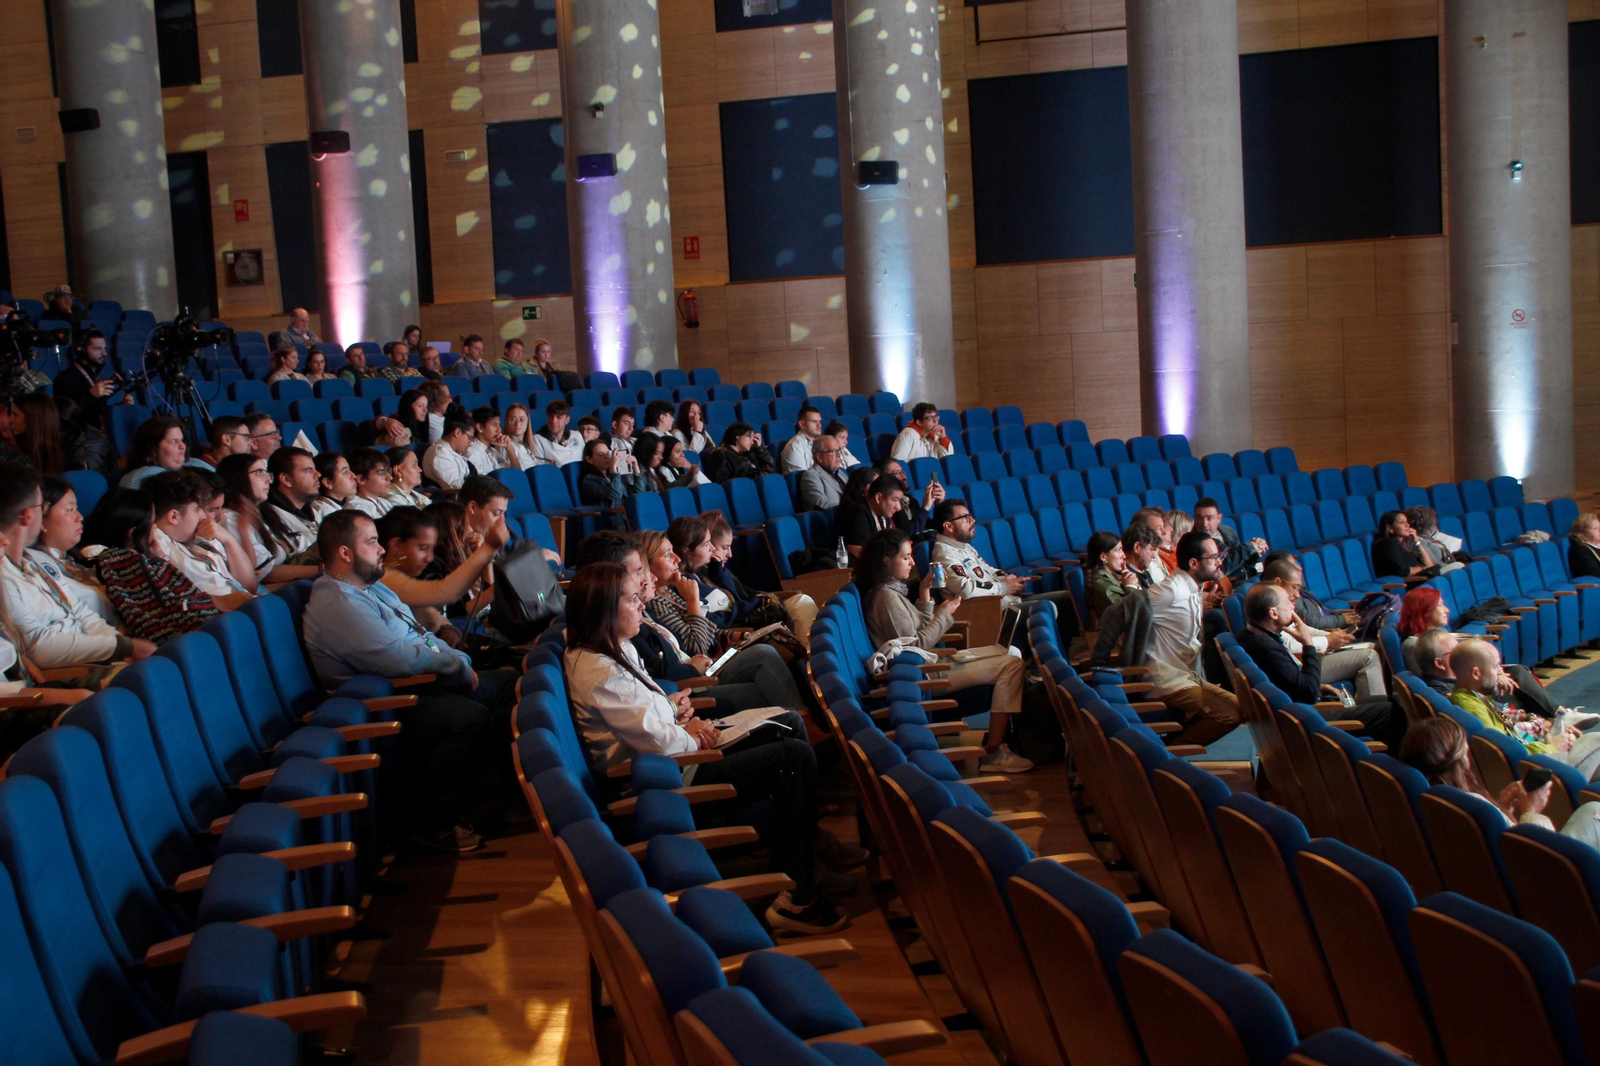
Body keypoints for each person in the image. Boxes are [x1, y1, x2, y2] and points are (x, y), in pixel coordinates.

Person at [562, 561, 848, 933]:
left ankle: (804, 857)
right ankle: (797, 896)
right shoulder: (599, 671)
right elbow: (661, 743)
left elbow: (646, 711)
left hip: (672, 756)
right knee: (793, 757)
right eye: (633, 599)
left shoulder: (616, 649)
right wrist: (693, 732)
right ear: (603, 609)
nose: (642, 605)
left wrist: (674, 709)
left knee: (787, 722)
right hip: (662, 779)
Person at [302, 510, 511, 853]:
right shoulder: (338, 603)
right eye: (371, 542)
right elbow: (399, 658)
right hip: (382, 708)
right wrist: (457, 668)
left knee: (507, 685)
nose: (382, 549)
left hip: (419, 683)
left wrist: (457, 660)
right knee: (466, 718)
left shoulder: (369, 588)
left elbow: (422, 636)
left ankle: (492, 797)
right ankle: (433, 822)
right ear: (345, 553)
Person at [855, 528, 1032, 772]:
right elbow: (915, 646)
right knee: (1012, 664)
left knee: (1010, 652)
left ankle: (1004, 741)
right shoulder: (885, 597)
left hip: (931, 664)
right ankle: (993, 754)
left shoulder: (891, 591)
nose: (912, 562)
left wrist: (925, 594)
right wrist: (944, 615)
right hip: (926, 675)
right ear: (887, 561)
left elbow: (916, 632)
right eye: (906, 557)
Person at [0, 464, 152, 675]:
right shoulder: (4, 575)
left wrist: (122, 645)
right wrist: (122, 648)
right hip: (70, 670)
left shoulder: (35, 559)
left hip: (95, 654)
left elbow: (81, 612)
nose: (80, 516)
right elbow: (36, 644)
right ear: (28, 516)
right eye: (40, 508)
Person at [1236, 583, 1403, 748]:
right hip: (1303, 723)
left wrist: (1321, 686)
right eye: (1287, 602)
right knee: (1392, 713)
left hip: (1296, 712)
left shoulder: (1251, 635)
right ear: (1273, 613)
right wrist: (1308, 644)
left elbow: (1287, 681)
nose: (1293, 605)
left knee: (1389, 701)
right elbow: (1308, 693)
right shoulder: (1266, 647)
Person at [1401, 716, 1600, 852]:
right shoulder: (1472, 806)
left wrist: (1502, 809)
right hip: (1543, 884)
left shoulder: (1425, 801)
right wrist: (1531, 811)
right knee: (1593, 811)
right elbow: (1539, 856)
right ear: (1461, 759)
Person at [1448, 638, 1600, 779]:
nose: (1502, 672)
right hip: (1533, 767)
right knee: (1596, 740)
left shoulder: (1472, 695)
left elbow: (1507, 731)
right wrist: (1551, 746)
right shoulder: (1471, 709)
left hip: (1534, 752)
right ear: (1476, 673)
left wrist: (1546, 727)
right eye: (1496, 667)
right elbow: (1506, 754)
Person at [1145, 531, 1242, 746]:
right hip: (1166, 681)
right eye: (1214, 557)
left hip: (1185, 676)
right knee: (1230, 714)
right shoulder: (1171, 590)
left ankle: (1170, 747)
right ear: (1194, 563)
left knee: (1239, 707)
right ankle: (1167, 757)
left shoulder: (1190, 588)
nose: (1219, 562)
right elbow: (1124, 611)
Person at [378, 505, 508, 645]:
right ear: (396, 545)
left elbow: (435, 619)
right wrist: (489, 547)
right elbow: (445, 592)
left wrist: (447, 628)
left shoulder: (402, 576)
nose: (429, 558)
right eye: (422, 548)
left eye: (431, 549)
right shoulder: (383, 577)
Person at [1258, 556, 1385, 697]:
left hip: (1309, 657)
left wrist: (1329, 636)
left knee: (1373, 646)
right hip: (1303, 665)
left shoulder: (1280, 602)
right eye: (1294, 587)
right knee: (1369, 656)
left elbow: (1300, 628)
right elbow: (1287, 643)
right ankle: (1374, 708)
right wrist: (1328, 641)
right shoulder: (1267, 605)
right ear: (1278, 583)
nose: (1297, 595)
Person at [143, 469, 257, 609]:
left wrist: (229, 540)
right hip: (218, 617)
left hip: (246, 606)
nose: (203, 515)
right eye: (197, 509)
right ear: (174, 516)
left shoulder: (202, 536)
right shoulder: (156, 543)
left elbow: (250, 586)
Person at [700, 511, 817, 644]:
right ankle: (811, 657)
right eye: (725, 547)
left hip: (754, 614)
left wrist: (760, 598)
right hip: (744, 628)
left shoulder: (721, 572)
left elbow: (747, 594)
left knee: (802, 601)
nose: (730, 554)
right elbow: (733, 607)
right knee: (800, 605)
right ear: (709, 545)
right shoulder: (699, 578)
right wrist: (718, 572)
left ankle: (812, 656)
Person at [1410, 626, 1565, 721]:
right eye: (1455, 650)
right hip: (1507, 721)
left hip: (1506, 716)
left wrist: (1496, 674)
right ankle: (1559, 718)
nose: (1461, 652)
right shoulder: (1446, 694)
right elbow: (1495, 715)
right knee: (1516, 679)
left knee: (1514, 674)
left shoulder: (1447, 680)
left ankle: (1559, 716)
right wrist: (1534, 720)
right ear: (1439, 663)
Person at [216, 453, 319, 586]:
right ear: (237, 478)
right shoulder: (231, 519)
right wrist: (323, 570)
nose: (268, 480)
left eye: (267, 473)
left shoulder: (266, 510)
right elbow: (266, 573)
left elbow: (300, 543)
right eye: (259, 473)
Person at [34, 477, 118, 625]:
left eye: (77, 508)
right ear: (40, 520)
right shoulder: (36, 572)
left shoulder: (78, 558)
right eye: (70, 510)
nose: (79, 517)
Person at [52, 328, 118, 433]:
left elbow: (97, 410)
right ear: (81, 350)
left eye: (104, 348)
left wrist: (121, 405)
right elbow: (65, 415)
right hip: (80, 438)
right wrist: (91, 395)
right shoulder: (65, 378)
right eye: (97, 349)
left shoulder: (96, 375)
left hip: (97, 434)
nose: (104, 353)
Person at [263, 446, 321, 558]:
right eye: (308, 470)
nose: (318, 474)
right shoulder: (271, 517)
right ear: (286, 479)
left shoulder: (310, 511)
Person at [1194, 497, 1264, 586]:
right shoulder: (1195, 542)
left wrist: (1256, 550)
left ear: (1219, 518)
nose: (1204, 524)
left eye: (1209, 518)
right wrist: (1249, 548)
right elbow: (1221, 569)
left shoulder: (1227, 531)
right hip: (1230, 586)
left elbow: (1240, 561)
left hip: (1247, 576)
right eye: (1199, 518)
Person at [836, 474, 904, 558]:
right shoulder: (857, 515)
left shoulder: (884, 512)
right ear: (878, 498)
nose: (898, 507)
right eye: (895, 500)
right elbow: (855, 554)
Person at [578, 438, 648, 513]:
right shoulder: (589, 480)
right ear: (589, 459)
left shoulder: (615, 476)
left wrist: (636, 469)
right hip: (611, 520)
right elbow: (615, 495)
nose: (607, 457)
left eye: (608, 453)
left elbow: (639, 493)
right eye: (601, 455)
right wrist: (613, 469)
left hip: (628, 516)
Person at [1084, 529, 1137, 629]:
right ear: (1103, 557)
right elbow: (1126, 612)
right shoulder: (1100, 582)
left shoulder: (1117, 576)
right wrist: (1131, 586)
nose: (1124, 556)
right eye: (1118, 551)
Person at [119, 415, 189, 488]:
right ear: (152, 448)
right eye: (173, 441)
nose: (183, 446)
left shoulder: (193, 464)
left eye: (182, 440)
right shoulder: (144, 477)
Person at [877, 457, 941, 536]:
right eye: (897, 473)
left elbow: (931, 526)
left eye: (903, 472)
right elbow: (908, 532)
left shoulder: (910, 500)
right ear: (884, 479)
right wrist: (926, 507)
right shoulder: (890, 504)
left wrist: (939, 503)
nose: (904, 477)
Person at [10, 394, 66, 475]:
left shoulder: (67, 452)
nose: (10, 419)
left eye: (15, 415)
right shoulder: (12, 449)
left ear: (32, 420)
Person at [703, 422, 775, 483]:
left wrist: (760, 449)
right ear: (737, 436)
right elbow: (721, 481)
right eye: (749, 436)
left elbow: (770, 469)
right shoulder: (720, 453)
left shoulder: (749, 454)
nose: (752, 441)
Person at [798, 433, 850, 511]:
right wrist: (852, 506)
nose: (838, 455)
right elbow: (821, 505)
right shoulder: (811, 476)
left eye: (839, 450)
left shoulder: (840, 473)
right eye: (833, 451)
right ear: (820, 457)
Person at [423, 419, 477, 492]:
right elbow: (454, 487)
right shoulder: (440, 453)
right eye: (469, 438)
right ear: (457, 432)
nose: (470, 443)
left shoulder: (452, 451)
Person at [185, 415, 252, 473]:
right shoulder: (198, 471)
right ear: (227, 440)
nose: (251, 442)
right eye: (246, 437)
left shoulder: (240, 468)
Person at [1372, 510, 1428, 579]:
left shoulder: (1405, 544)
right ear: (1390, 528)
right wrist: (1424, 568)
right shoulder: (1387, 544)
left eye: (1407, 521)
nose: (1407, 525)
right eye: (1401, 522)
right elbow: (1403, 571)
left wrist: (1417, 542)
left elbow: (1431, 565)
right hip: (1408, 584)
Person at [1406, 506, 1463, 570]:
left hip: (1450, 565)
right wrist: (1454, 566)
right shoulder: (1420, 541)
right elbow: (1435, 563)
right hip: (1441, 569)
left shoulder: (1428, 537)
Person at [344, 448, 395, 519]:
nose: (390, 477)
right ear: (361, 479)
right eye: (381, 474)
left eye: (388, 471)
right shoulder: (358, 510)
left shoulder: (384, 502)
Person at [531, 399, 584, 467]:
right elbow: (541, 470)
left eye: (559, 417)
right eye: (550, 416)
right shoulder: (537, 440)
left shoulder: (577, 435)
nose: (553, 421)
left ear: (567, 420)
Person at [309, 451, 359, 521]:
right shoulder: (327, 513)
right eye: (345, 472)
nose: (353, 476)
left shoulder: (336, 507)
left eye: (350, 470)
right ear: (328, 483)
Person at [1121, 522, 1166, 588]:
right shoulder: (1127, 578)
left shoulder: (1145, 572)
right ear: (1137, 547)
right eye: (1151, 549)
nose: (1153, 556)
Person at [781, 405, 823, 473]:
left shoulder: (821, 443)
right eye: (814, 421)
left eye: (819, 421)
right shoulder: (794, 446)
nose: (819, 425)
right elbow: (803, 478)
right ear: (802, 424)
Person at [495, 403, 538, 469]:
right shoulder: (504, 444)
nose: (517, 424)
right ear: (507, 421)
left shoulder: (528, 445)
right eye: (513, 419)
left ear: (527, 421)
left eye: (522, 419)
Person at [466, 407, 504, 474]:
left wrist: (510, 449)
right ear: (480, 427)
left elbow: (513, 475)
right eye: (494, 425)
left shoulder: (493, 451)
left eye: (499, 425)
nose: (499, 429)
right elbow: (480, 481)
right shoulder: (472, 451)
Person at [1569, 514, 1600, 579]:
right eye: (1595, 528)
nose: (1599, 530)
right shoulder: (1580, 550)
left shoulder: (1598, 545)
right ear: (1582, 534)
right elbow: (1594, 573)